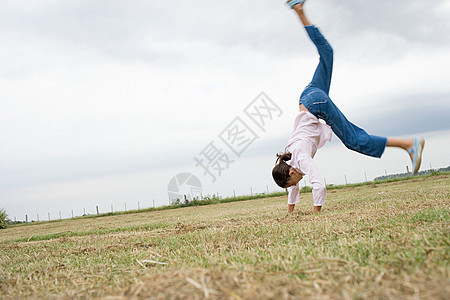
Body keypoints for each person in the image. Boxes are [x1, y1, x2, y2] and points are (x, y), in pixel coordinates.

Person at [272, 0, 425, 213]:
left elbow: (318, 184)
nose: (297, 184)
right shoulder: (292, 158)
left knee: (354, 140)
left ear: (290, 173)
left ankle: (408, 144)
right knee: (327, 54)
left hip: (316, 103)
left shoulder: (301, 159)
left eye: (292, 182)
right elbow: (294, 188)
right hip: (308, 96)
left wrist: (316, 215)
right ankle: (299, 10)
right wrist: (290, 212)